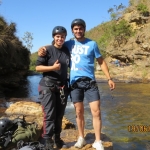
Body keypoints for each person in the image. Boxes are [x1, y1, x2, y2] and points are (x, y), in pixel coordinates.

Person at [38, 19, 115, 150]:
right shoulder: (69, 43)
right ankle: (81, 137)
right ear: (73, 31)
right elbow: (55, 44)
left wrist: (109, 78)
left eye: (80, 28)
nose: (78, 31)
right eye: (76, 29)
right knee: (79, 112)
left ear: (84, 29)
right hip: (74, 83)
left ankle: (97, 141)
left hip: (90, 82)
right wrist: (42, 49)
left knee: (96, 111)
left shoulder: (92, 44)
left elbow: (101, 61)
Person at [36, 26, 70, 150]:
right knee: (49, 115)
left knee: (59, 115)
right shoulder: (47, 50)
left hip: (62, 87)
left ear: (65, 38)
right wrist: (52, 68)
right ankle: (47, 140)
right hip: (47, 86)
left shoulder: (66, 50)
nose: (60, 38)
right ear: (53, 37)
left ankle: (57, 138)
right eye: (57, 36)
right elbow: (38, 68)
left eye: (62, 36)